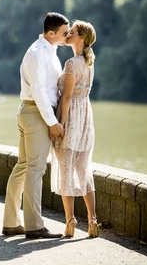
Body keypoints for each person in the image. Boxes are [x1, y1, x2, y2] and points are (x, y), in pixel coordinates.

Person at [2, 12, 70, 238]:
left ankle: (11, 223)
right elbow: (40, 92)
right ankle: (34, 226)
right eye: (63, 33)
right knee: (35, 169)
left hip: (32, 112)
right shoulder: (36, 53)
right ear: (50, 33)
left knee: (23, 166)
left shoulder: (50, 52)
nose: (67, 36)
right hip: (36, 113)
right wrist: (52, 122)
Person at [51, 20, 99, 238]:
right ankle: (92, 221)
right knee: (83, 169)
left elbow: (68, 96)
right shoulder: (89, 63)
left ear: (81, 38)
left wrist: (59, 123)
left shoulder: (71, 64)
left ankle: (70, 221)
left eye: (73, 31)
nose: (68, 33)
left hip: (72, 119)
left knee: (66, 170)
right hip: (86, 119)